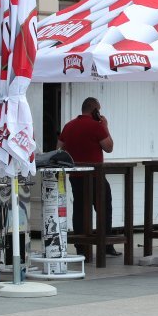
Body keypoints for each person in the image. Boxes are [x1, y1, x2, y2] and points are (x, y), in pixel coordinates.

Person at [57, 97, 119, 256]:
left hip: (76, 175)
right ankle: (105, 244)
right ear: (95, 111)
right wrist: (105, 126)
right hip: (95, 174)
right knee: (103, 207)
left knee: (79, 209)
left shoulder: (69, 126)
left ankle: (81, 246)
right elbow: (109, 147)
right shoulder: (97, 126)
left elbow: (58, 149)